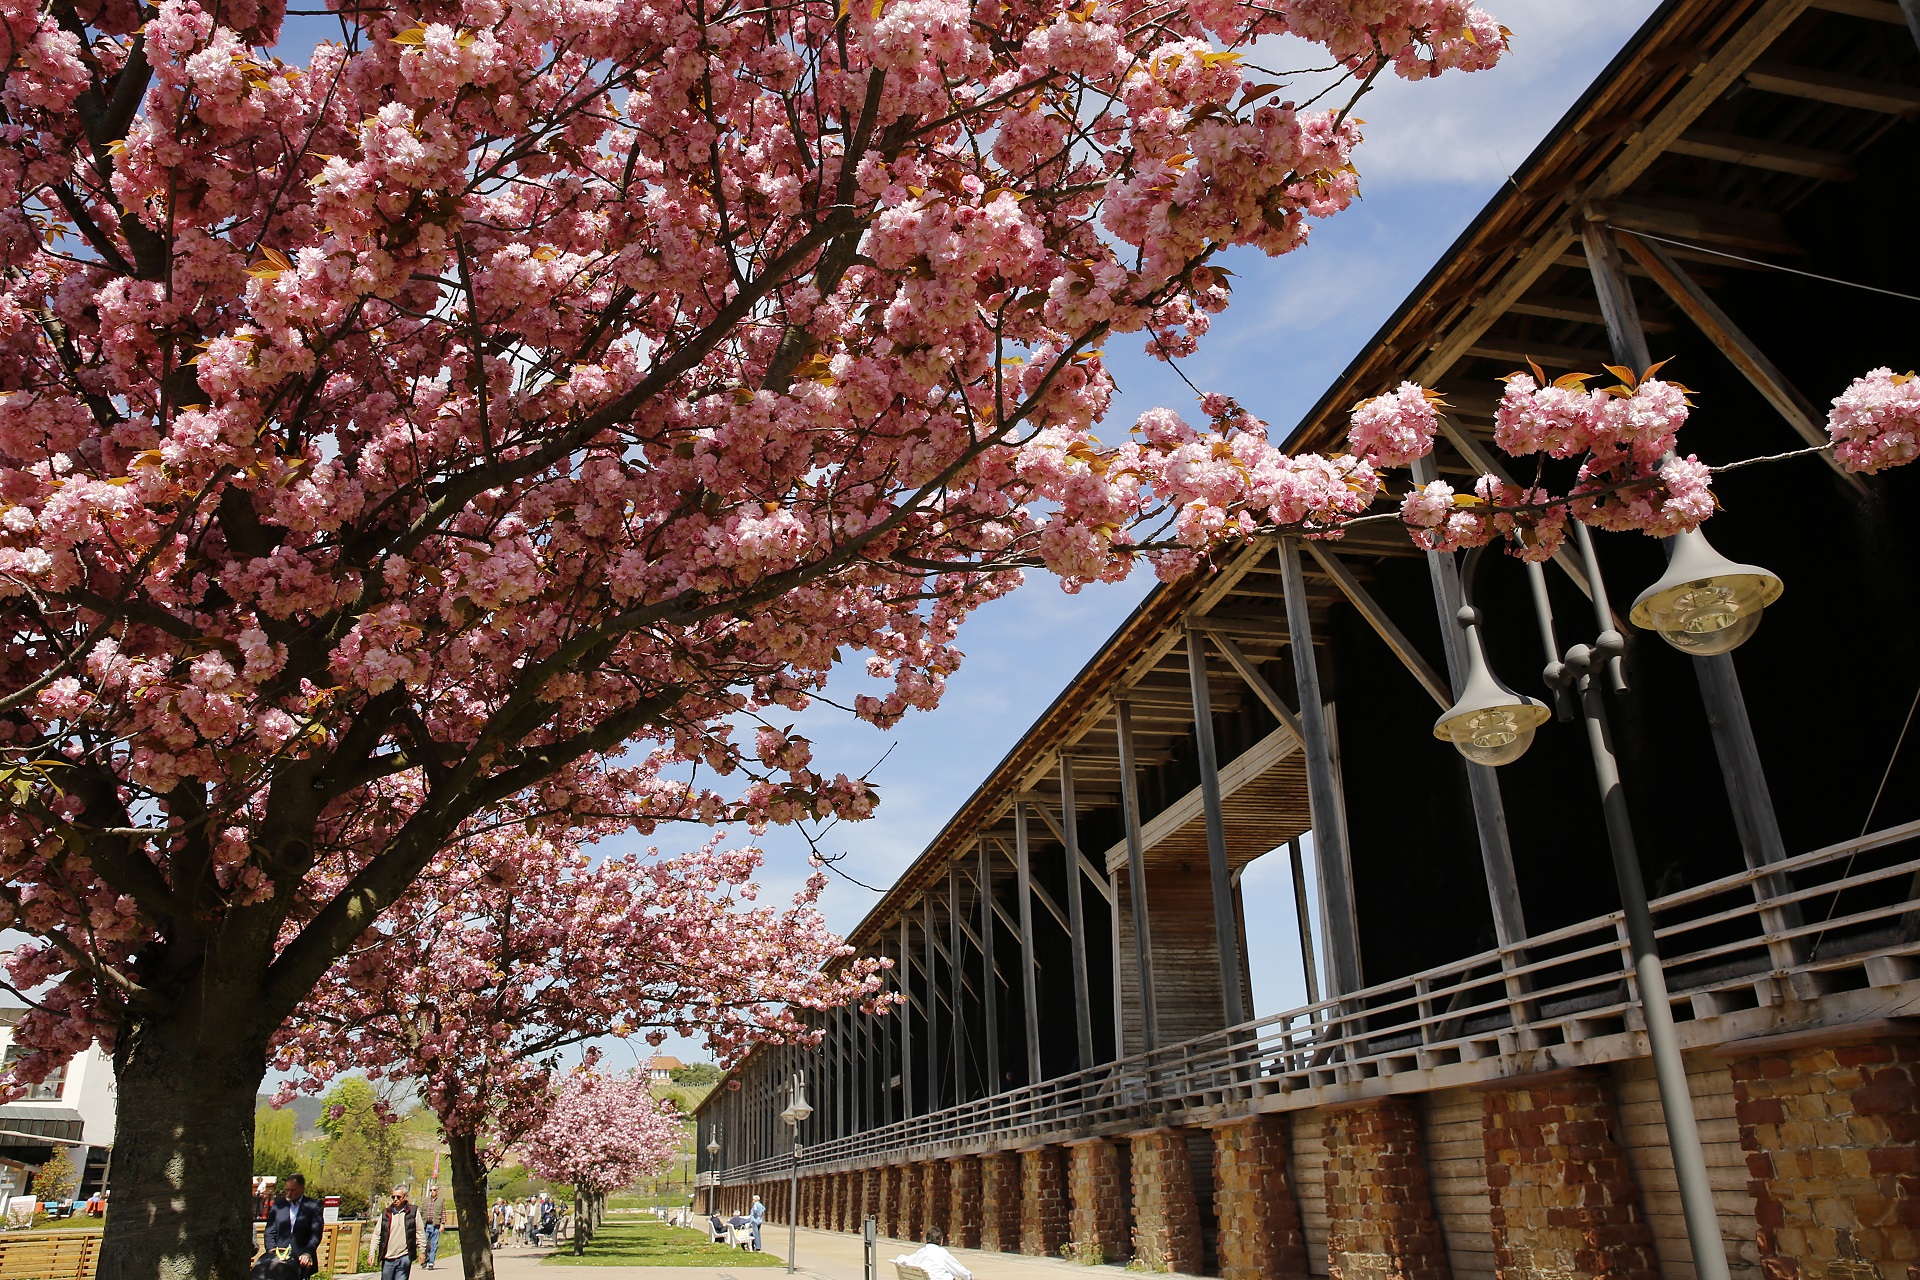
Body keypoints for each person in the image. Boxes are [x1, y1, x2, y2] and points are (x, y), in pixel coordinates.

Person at [261, 1174, 325, 1276]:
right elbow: (270, 1231)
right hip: (279, 1260)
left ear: (302, 1188)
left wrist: (307, 1253)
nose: (289, 1194)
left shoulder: (314, 1206)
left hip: (301, 1260)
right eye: (287, 1190)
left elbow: (316, 1233)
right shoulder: (278, 1206)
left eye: (293, 1190)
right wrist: (271, 1251)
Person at [375, 1186, 423, 1280]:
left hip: (404, 1257)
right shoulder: (386, 1213)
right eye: (393, 1197)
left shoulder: (413, 1212)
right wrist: (372, 1253)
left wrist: (422, 1251)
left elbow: (420, 1232)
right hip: (388, 1258)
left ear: (405, 1197)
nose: (395, 1199)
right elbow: (377, 1234)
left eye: (398, 1197)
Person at [420, 1186, 445, 1270]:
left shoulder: (440, 1201)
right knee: (424, 1244)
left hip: (435, 1226)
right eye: (431, 1190)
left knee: (434, 1244)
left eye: (434, 1190)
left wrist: (442, 1225)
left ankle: (431, 1262)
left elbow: (443, 1213)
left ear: (437, 1191)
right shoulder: (425, 1200)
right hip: (426, 1225)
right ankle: (425, 1259)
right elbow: (420, 1212)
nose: (432, 1191)